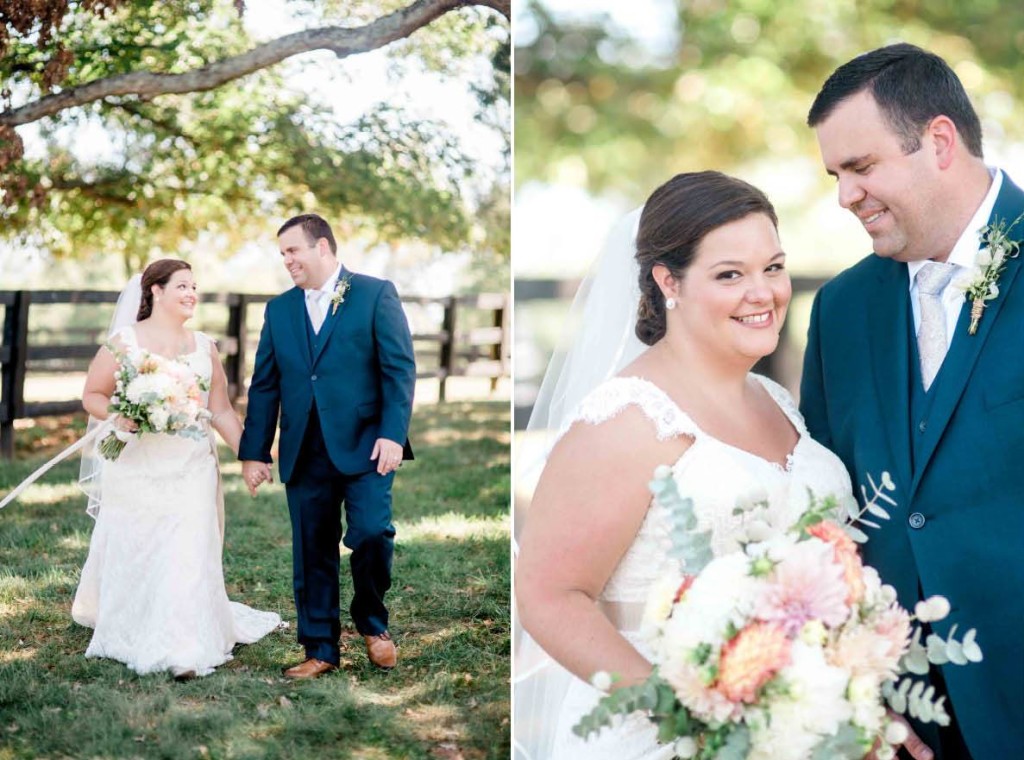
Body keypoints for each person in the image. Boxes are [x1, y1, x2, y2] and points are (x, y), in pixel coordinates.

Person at [513, 172, 853, 758]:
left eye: (773, 267)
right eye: (730, 275)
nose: (764, 292)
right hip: (665, 736)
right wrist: (694, 716)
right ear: (668, 281)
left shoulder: (775, 403)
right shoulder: (625, 418)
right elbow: (549, 595)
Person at [801, 43, 1024, 760]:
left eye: (861, 168)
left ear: (938, 142)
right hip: (903, 723)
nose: (844, 196)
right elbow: (826, 516)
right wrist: (855, 688)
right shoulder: (839, 309)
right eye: (835, 174)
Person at [73, 258, 282, 679]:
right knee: (142, 546)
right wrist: (120, 414)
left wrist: (251, 455)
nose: (191, 294)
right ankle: (135, 621)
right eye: (182, 286)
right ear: (155, 291)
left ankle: (185, 646)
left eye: (194, 286)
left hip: (191, 467)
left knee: (188, 549)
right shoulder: (124, 342)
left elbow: (220, 410)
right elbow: (92, 394)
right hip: (137, 467)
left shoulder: (204, 346)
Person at [239, 213, 416, 679]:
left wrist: (392, 433)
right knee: (311, 550)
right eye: (282, 254)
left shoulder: (375, 294)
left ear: (322, 248)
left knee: (373, 532)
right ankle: (320, 649)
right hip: (304, 448)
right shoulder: (278, 310)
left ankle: (372, 623)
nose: (287, 261)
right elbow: (264, 385)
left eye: (293, 250)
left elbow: (399, 369)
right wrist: (255, 452)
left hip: (367, 444)